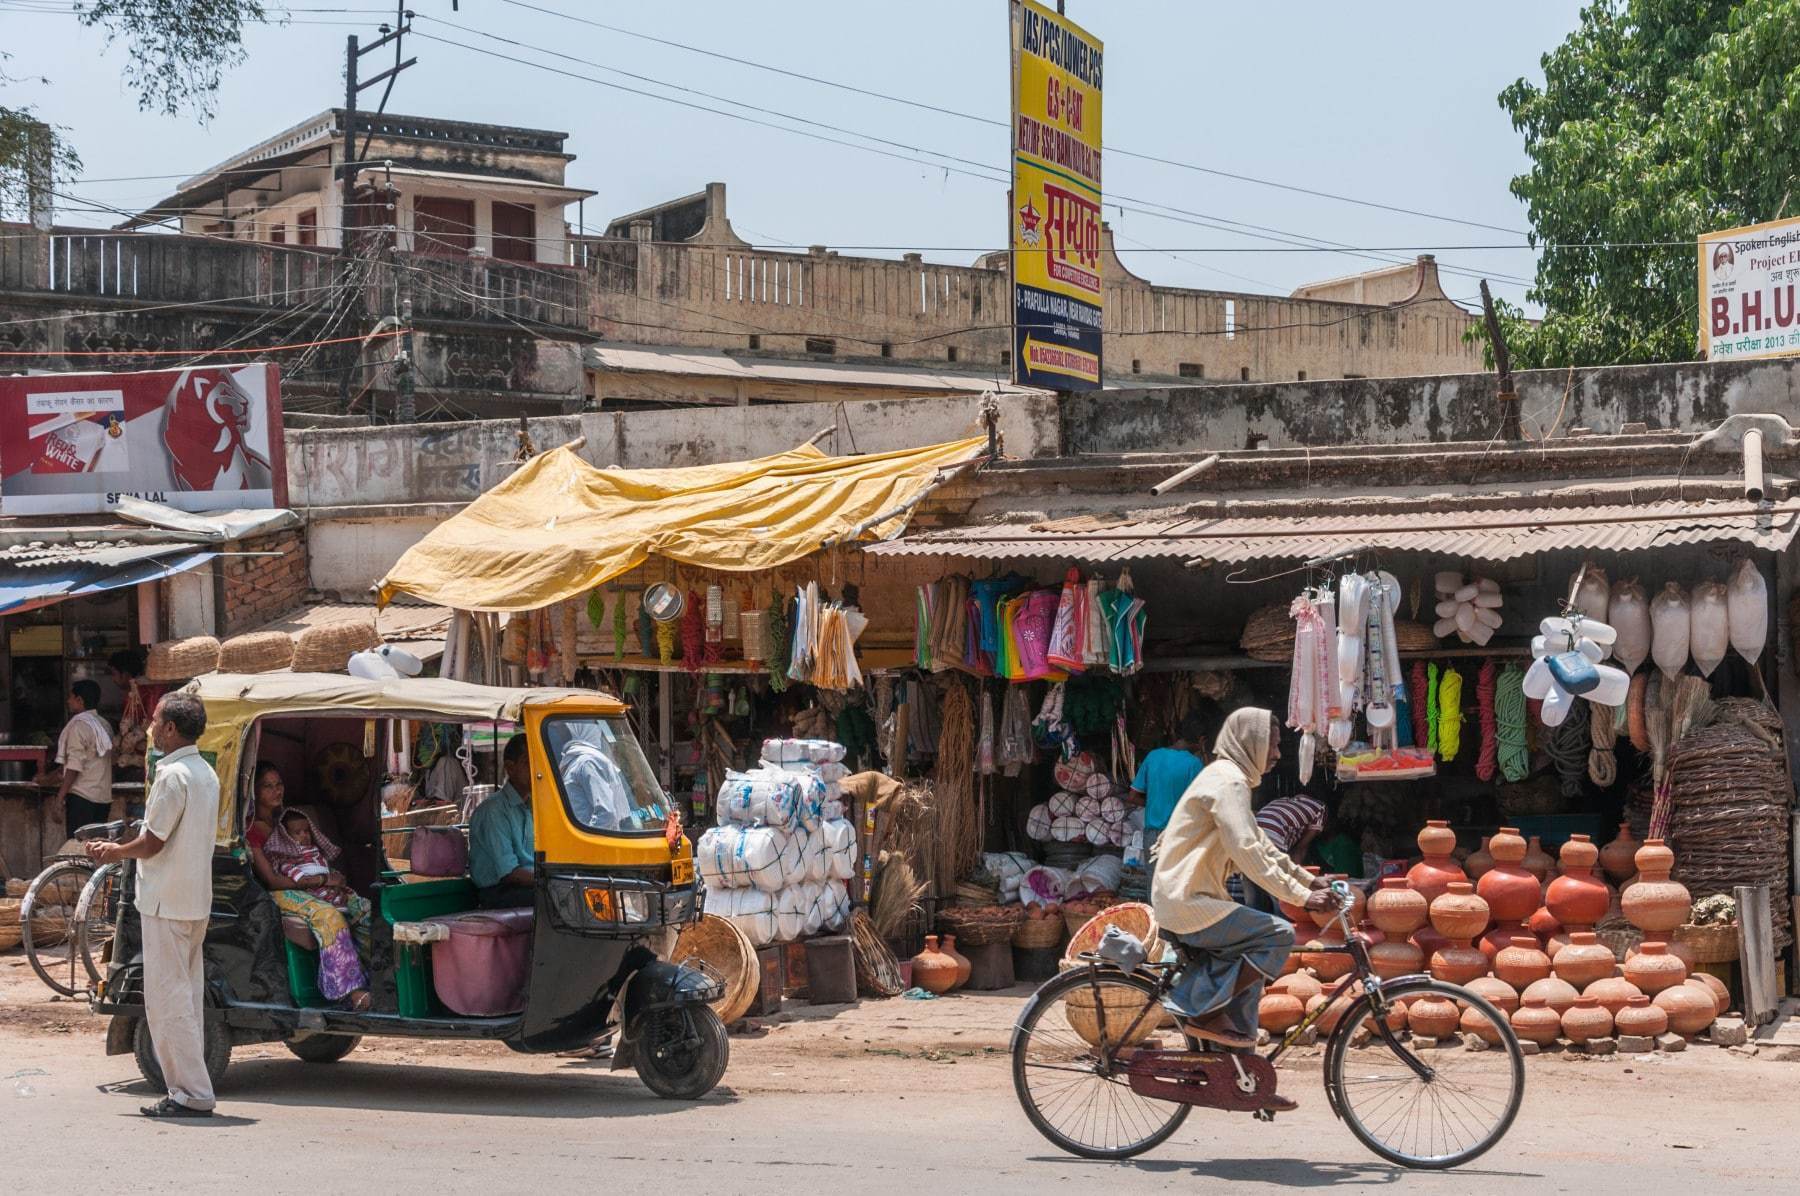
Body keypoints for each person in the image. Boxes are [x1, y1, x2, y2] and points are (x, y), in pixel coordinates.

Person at [1151, 708, 1332, 1111]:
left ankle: (1248, 1083)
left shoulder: (1228, 780)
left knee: (1248, 983)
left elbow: (1263, 846)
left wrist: (1307, 881)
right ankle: (1204, 1012)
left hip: (1196, 900)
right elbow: (1247, 851)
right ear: (1249, 740)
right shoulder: (1228, 782)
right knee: (1279, 933)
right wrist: (1300, 898)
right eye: (1272, 743)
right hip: (1188, 903)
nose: (1276, 754)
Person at [87, 693, 220, 1119]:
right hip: (194, 900)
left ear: (169, 729)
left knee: (167, 1003)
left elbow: (152, 842)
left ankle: (190, 1093)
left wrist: (114, 851)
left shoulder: (173, 775)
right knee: (186, 997)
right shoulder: (205, 773)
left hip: (166, 902)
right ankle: (190, 1088)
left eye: (156, 721)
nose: (151, 728)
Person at [244, 763, 373, 1011]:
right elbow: (272, 880)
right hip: (280, 892)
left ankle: (377, 976)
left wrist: (330, 879)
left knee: (363, 907)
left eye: (279, 784)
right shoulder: (253, 830)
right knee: (329, 917)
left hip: (312, 885)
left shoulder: (290, 820)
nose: (276, 791)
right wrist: (320, 882)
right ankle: (351, 992)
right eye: (268, 786)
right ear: (256, 791)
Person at [39, 679, 116, 840]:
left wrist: (59, 798)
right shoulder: (105, 725)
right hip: (103, 798)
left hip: (82, 799)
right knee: (97, 849)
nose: (68, 700)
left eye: (71, 697)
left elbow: (73, 767)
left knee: (78, 850)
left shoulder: (78, 726)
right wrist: (47, 779)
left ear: (80, 700)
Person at [1227, 793, 1329, 911]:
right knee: (1281, 899)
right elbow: (1301, 848)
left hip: (1249, 838)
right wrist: (1298, 879)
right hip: (1270, 840)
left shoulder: (1281, 801)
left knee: (1254, 900)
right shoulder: (1321, 809)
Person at [1128, 711, 1207, 858]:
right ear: (1201, 740)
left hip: (1151, 837)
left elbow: (1132, 797)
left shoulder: (1153, 756)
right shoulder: (1194, 764)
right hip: (1179, 836)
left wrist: (1156, 803)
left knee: (1153, 881)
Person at [469, 734, 535, 909]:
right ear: (510, 768)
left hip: (525, 885)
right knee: (554, 900)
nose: (536, 769)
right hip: (497, 892)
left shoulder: (533, 805)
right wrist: (547, 881)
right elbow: (509, 873)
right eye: (528, 763)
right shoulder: (493, 811)